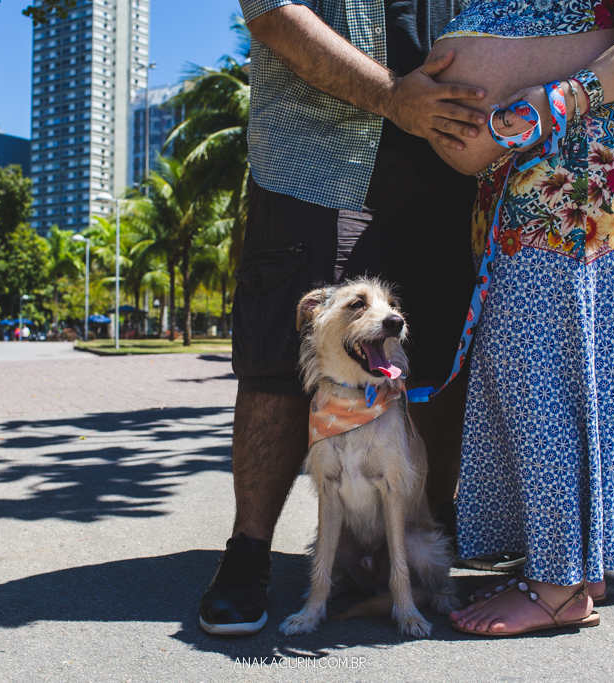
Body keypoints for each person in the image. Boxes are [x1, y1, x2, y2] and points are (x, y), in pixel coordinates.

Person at [198, 0, 490, 635]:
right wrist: (393, 97)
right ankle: (248, 552)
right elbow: (272, 12)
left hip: (454, 166)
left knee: (439, 356)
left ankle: (429, 536)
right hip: (319, 167)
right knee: (281, 360)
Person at [431, 0, 614, 636]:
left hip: (580, 175)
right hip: (520, 186)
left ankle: (557, 587)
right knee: (553, 369)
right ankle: (575, 559)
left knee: (546, 375)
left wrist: (564, 98)